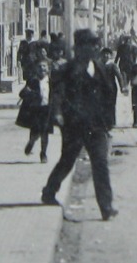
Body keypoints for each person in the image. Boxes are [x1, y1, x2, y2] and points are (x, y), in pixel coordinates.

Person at [41, 28, 119, 220]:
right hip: (74, 125)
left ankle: (106, 207)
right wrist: (58, 115)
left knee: (101, 164)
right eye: (91, 44)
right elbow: (58, 94)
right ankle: (49, 192)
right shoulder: (67, 70)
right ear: (80, 48)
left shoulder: (100, 68)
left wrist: (109, 122)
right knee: (67, 161)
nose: (95, 48)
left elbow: (110, 95)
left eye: (95, 44)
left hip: (97, 126)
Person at [17, 39, 52, 162]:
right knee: (35, 132)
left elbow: (56, 94)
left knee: (45, 133)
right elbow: (21, 93)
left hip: (47, 109)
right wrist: (28, 92)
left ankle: (43, 153)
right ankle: (31, 143)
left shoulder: (50, 82)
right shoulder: (33, 80)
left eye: (44, 67)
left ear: (47, 69)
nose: (42, 69)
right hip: (36, 110)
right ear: (36, 69)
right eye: (40, 67)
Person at [114, 34, 137, 130]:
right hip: (130, 65)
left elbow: (118, 56)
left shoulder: (121, 47)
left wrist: (115, 63)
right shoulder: (133, 47)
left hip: (123, 65)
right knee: (127, 77)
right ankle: (126, 86)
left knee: (124, 76)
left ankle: (125, 87)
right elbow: (134, 57)